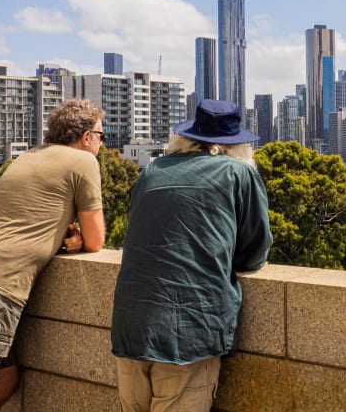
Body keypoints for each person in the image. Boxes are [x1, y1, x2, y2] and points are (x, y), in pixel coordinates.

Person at [0, 99, 106, 412]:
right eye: (101, 134)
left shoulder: (29, 155)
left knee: (4, 380)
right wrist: (80, 238)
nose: (101, 141)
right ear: (86, 137)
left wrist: (66, 236)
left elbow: (26, 217)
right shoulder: (83, 162)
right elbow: (96, 241)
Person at [111, 99, 272, 412]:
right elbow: (255, 250)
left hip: (131, 325)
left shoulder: (153, 170)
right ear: (235, 144)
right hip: (188, 328)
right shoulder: (238, 172)